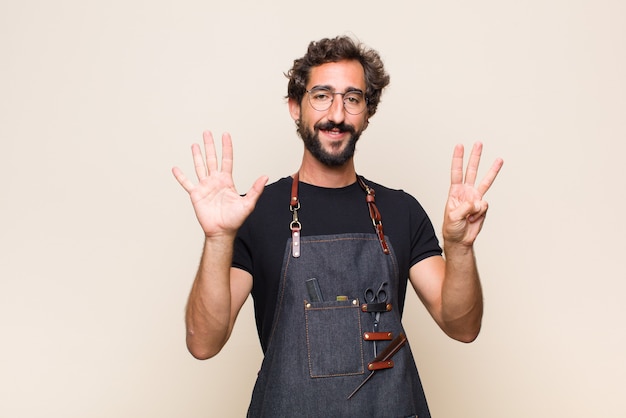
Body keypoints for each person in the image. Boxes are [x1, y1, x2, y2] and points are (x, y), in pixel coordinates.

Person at [172, 35, 503, 418]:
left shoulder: (401, 210)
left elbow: (461, 325)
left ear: (367, 112)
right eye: (322, 96)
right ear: (296, 107)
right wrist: (217, 239)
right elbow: (204, 342)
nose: (337, 114)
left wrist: (459, 247)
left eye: (352, 98)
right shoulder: (256, 211)